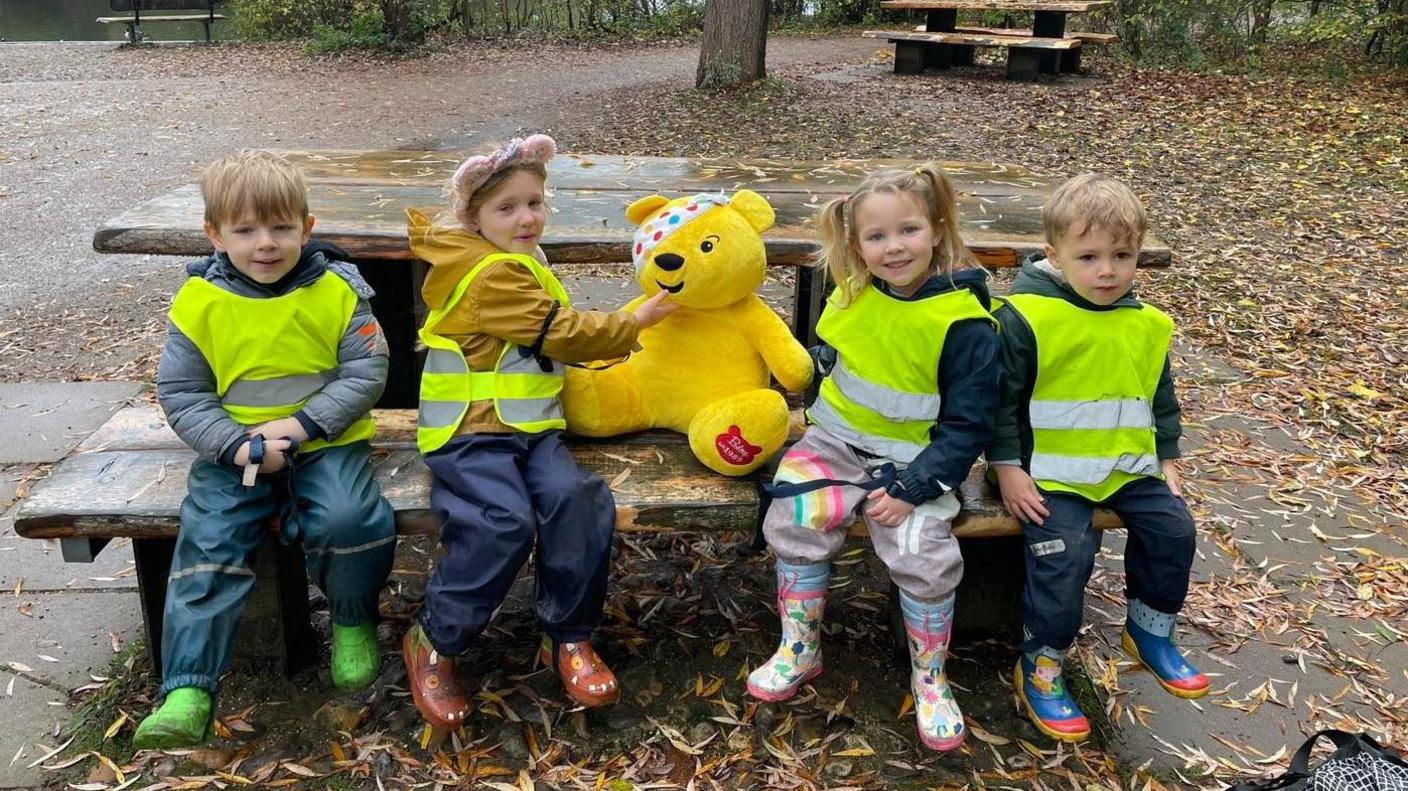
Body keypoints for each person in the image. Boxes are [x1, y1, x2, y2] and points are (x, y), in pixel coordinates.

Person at [401, 134, 676, 729]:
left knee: (576, 499)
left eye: (535, 202)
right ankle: (437, 639)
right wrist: (634, 321)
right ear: (473, 218)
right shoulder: (488, 274)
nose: (526, 217)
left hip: (530, 432)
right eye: (507, 207)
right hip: (471, 435)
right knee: (501, 520)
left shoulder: (522, 259)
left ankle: (568, 635)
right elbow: (564, 333)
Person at [133, 150, 396, 749]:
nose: (266, 244)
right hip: (233, 450)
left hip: (326, 439)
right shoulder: (200, 302)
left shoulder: (337, 290)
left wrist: (301, 427)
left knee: (350, 517)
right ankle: (189, 687)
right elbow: (182, 392)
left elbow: (367, 371)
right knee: (211, 537)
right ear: (214, 234)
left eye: (281, 227)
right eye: (246, 229)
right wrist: (236, 446)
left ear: (307, 227)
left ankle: (353, 620)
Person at [746, 165, 1002, 752]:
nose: (894, 248)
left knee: (922, 551)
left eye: (908, 230)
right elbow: (833, 371)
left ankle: (931, 676)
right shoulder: (853, 293)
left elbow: (969, 427)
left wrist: (913, 486)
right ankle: (800, 647)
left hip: (916, 461)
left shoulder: (962, 324)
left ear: (936, 229)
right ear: (856, 244)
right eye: (877, 237)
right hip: (834, 443)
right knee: (795, 515)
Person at [989, 173, 1207, 744]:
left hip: (1126, 469)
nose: (1107, 270)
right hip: (1050, 476)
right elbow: (1001, 400)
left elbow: (1160, 396)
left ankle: (1150, 630)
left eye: (1122, 255)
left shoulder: (1145, 325)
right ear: (1054, 254)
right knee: (1065, 560)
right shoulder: (1027, 318)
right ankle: (1041, 664)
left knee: (1175, 529)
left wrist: (1167, 456)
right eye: (1088, 256)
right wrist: (1007, 467)